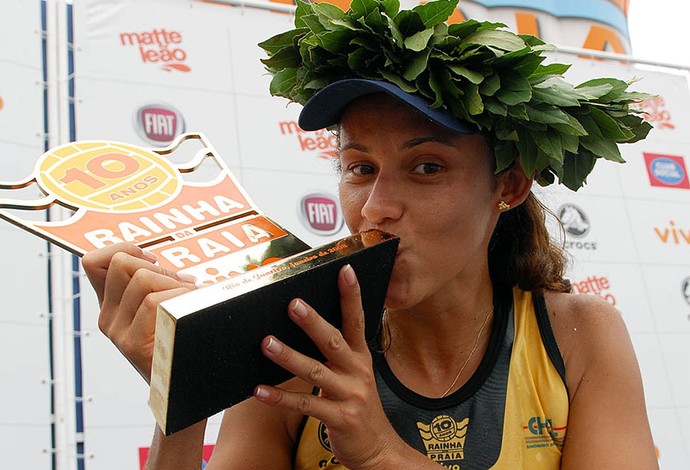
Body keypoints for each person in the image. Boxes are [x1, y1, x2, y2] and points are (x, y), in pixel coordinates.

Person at [82, 0, 659, 468]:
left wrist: (382, 452)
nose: (376, 208)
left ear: (507, 186)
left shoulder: (579, 336)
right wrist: (178, 389)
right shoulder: (292, 338)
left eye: (427, 167)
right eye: (360, 168)